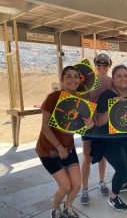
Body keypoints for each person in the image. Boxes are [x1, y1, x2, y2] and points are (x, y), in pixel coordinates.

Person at [35, 66, 94, 218]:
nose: (73, 80)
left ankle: (68, 207)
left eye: (76, 77)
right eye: (69, 76)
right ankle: (55, 208)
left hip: (68, 148)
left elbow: (79, 125)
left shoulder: (80, 100)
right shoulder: (53, 97)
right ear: (62, 80)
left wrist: (89, 125)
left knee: (76, 185)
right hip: (48, 150)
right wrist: (59, 147)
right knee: (65, 186)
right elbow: (45, 127)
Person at [93, 65, 127, 210]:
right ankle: (113, 197)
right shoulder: (106, 95)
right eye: (118, 76)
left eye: (125, 75)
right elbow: (100, 121)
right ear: (113, 79)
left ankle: (123, 184)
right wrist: (113, 106)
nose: (123, 79)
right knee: (122, 168)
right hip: (110, 140)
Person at [80, 53, 112, 204]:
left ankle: (102, 182)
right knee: (87, 157)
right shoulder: (88, 81)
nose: (101, 67)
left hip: (103, 124)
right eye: (98, 64)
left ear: (109, 65)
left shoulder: (112, 82)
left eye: (104, 64)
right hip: (88, 123)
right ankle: (84, 189)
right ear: (95, 65)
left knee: (102, 155)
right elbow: (80, 99)